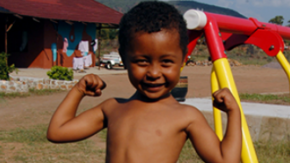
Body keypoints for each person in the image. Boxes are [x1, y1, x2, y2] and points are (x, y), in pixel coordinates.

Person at [47, 1, 242, 163]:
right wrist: (78, 90)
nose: (154, 73)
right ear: (124, 59)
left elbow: (225, 160)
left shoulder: (187, 116)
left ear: (183, 60)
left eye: (166, 62)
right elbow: (57, 132)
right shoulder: (112, 108)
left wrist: (234, 113)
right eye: (142, 61)